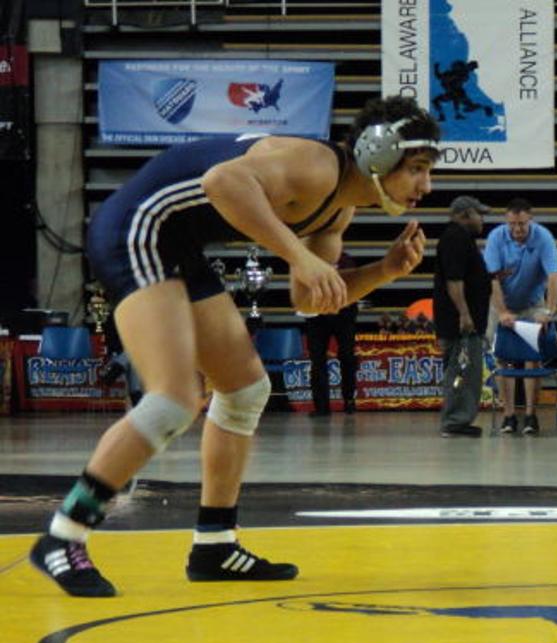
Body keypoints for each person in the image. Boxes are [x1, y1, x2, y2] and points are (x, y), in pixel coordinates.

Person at [30, 95, 439, 597]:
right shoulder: (312, 165)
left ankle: (215, 543)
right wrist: (295, 254)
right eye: (418, 169)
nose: (426, 185)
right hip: (135, 229)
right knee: (172, 400)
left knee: (245, 389)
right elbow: (220, 182)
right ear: (377, 153)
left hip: (174, 243)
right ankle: (63, 535)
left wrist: (384, 271)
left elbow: (310, 301)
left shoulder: (338, 212)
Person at [484, 197, 557, 435]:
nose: (517, 230)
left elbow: (555, 276)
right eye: (512, 225)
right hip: (501, 302)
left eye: (522, 225)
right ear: (507, 222)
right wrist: (503, 312)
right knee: (501, 357)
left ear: (531, 220)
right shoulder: (496, 237)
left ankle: (530, 415)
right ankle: (508, 415)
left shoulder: (544, 237)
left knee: (532, 356)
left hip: (532, 303)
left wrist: (548, 312)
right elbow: (493, 279)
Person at [434, 195, 491, 438]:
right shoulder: (455, 238)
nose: (482, 220)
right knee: (462, 372)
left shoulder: (461, 238)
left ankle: (458, 419)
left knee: (466, 372)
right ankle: (455, 421)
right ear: (466, 214)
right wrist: (465, 315)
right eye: (480, 214)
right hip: (461, 325)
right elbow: (454, 281)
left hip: (466, 322)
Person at [303, 251, 359, 417]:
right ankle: (321, 406)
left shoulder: (346, 260)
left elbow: (354, 285)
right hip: (317, 316)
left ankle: (349, 399)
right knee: (317, 360)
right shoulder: (309, 260)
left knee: (347, 356)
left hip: (343, 313)